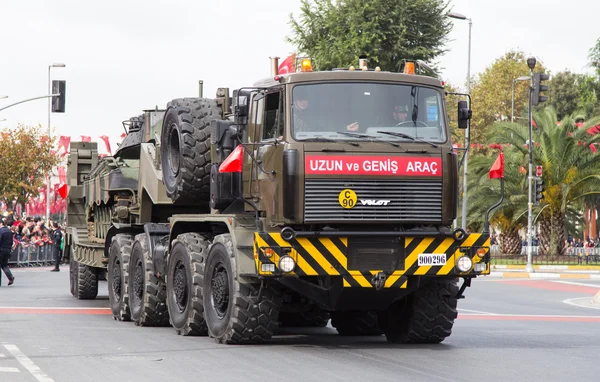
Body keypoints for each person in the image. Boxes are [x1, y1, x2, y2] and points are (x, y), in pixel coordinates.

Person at [0, 218, 15, 286]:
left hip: (1, 249)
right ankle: (10, 277)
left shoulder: (1, 231)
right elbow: (11, 241)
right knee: (4, 265)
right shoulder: (9, 231)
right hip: (7, 249)